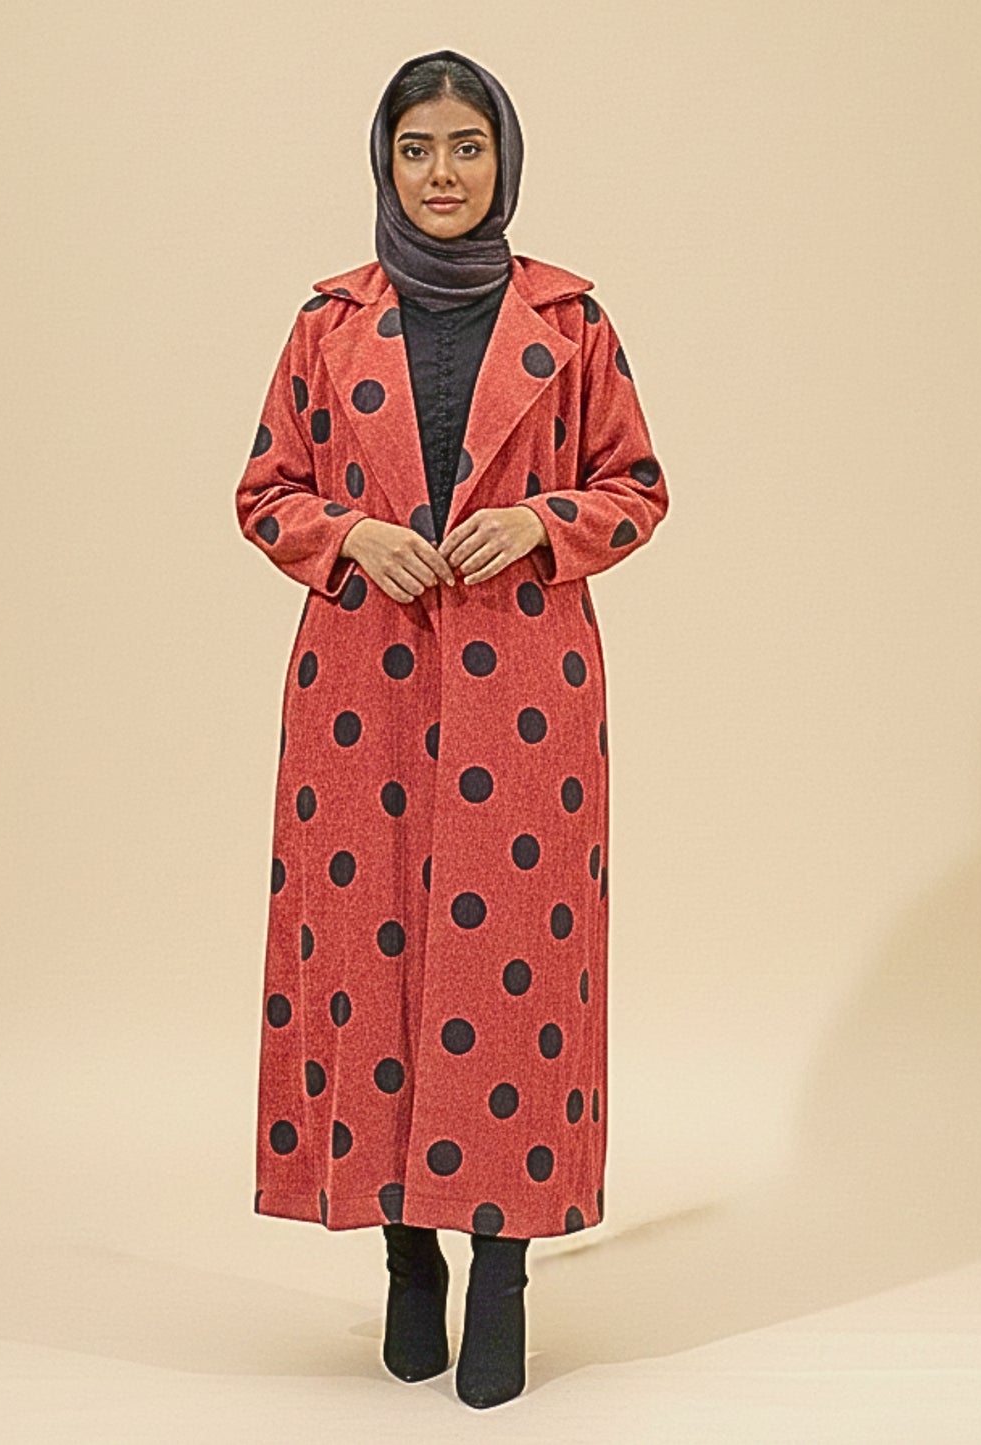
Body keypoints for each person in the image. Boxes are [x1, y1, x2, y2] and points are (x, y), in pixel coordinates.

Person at [233, 47, 669, 1408]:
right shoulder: (326, 320)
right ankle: (403, 1253)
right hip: (359, 685)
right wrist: (349, 529)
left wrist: (540, 522)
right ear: (386, 161)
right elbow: (263, 491)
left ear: (503, 161)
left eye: (464, 148)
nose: (440, 174)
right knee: (367, 957)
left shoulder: (570, 317)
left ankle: (501, 1272)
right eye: (416, 148)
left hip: (524, 689)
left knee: (510, 976)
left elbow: (638, 487)